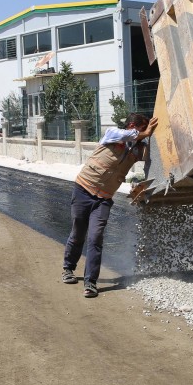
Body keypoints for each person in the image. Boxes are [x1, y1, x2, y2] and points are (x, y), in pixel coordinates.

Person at [62, 113, 158, 298]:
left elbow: (153, 158)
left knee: (95, 237)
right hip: (83, 190)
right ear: (132, 125)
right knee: (78, 232)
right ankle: (68, 268)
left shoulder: (138, 149)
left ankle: (90, 282)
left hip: (103, 199)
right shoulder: (112, 134)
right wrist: (144, 134)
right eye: (144, 128)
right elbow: (126, 135)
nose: (147, 133)